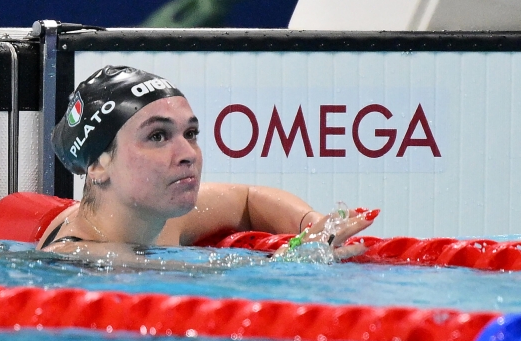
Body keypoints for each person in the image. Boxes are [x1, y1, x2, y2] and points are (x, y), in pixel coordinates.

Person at [36, 65, 378, 262]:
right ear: (97, 164)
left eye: (191, 133)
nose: (187, 153)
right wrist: (301, 258)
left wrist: (313, 224)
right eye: (157, 136)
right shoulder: (85, 260)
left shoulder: (155, 216)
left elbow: (246, 198)